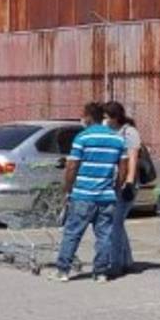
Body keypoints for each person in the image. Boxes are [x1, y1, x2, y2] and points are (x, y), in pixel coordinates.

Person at [51, 102, 128, 283]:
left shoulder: (82, 138)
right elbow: (123, 170)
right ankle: (100, 272)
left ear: (88, 117)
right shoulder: (118, 139)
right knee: (104, 235)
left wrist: (68, 188)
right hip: (106, 197)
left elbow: (72, 167)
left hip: (83, 195)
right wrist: (115, 188)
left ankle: (63, 270)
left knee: (72, 233)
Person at [103, 101, 140, 277]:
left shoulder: (129, 132)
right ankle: (127, 260)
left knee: (115, 224)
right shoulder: (111, 131)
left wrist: (130, 183)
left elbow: (132, 158)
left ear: (115, 117)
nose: (104, 120)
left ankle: (116, 263)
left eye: (106, 117)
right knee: (117, 223)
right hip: (115, 182)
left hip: (126, 184)